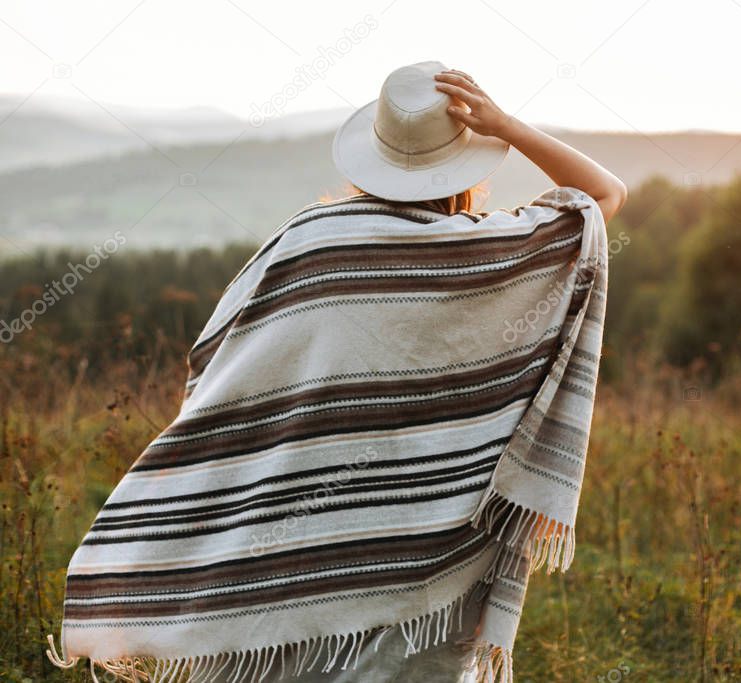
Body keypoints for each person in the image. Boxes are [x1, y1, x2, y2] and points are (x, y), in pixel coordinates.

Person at [47, 61, 625, 683]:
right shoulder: (489, 256)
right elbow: (603, 196)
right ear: (468, 167)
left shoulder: (306, 244)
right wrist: (509, 126)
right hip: (426, 559)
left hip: (293, 554)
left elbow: (217, 360)